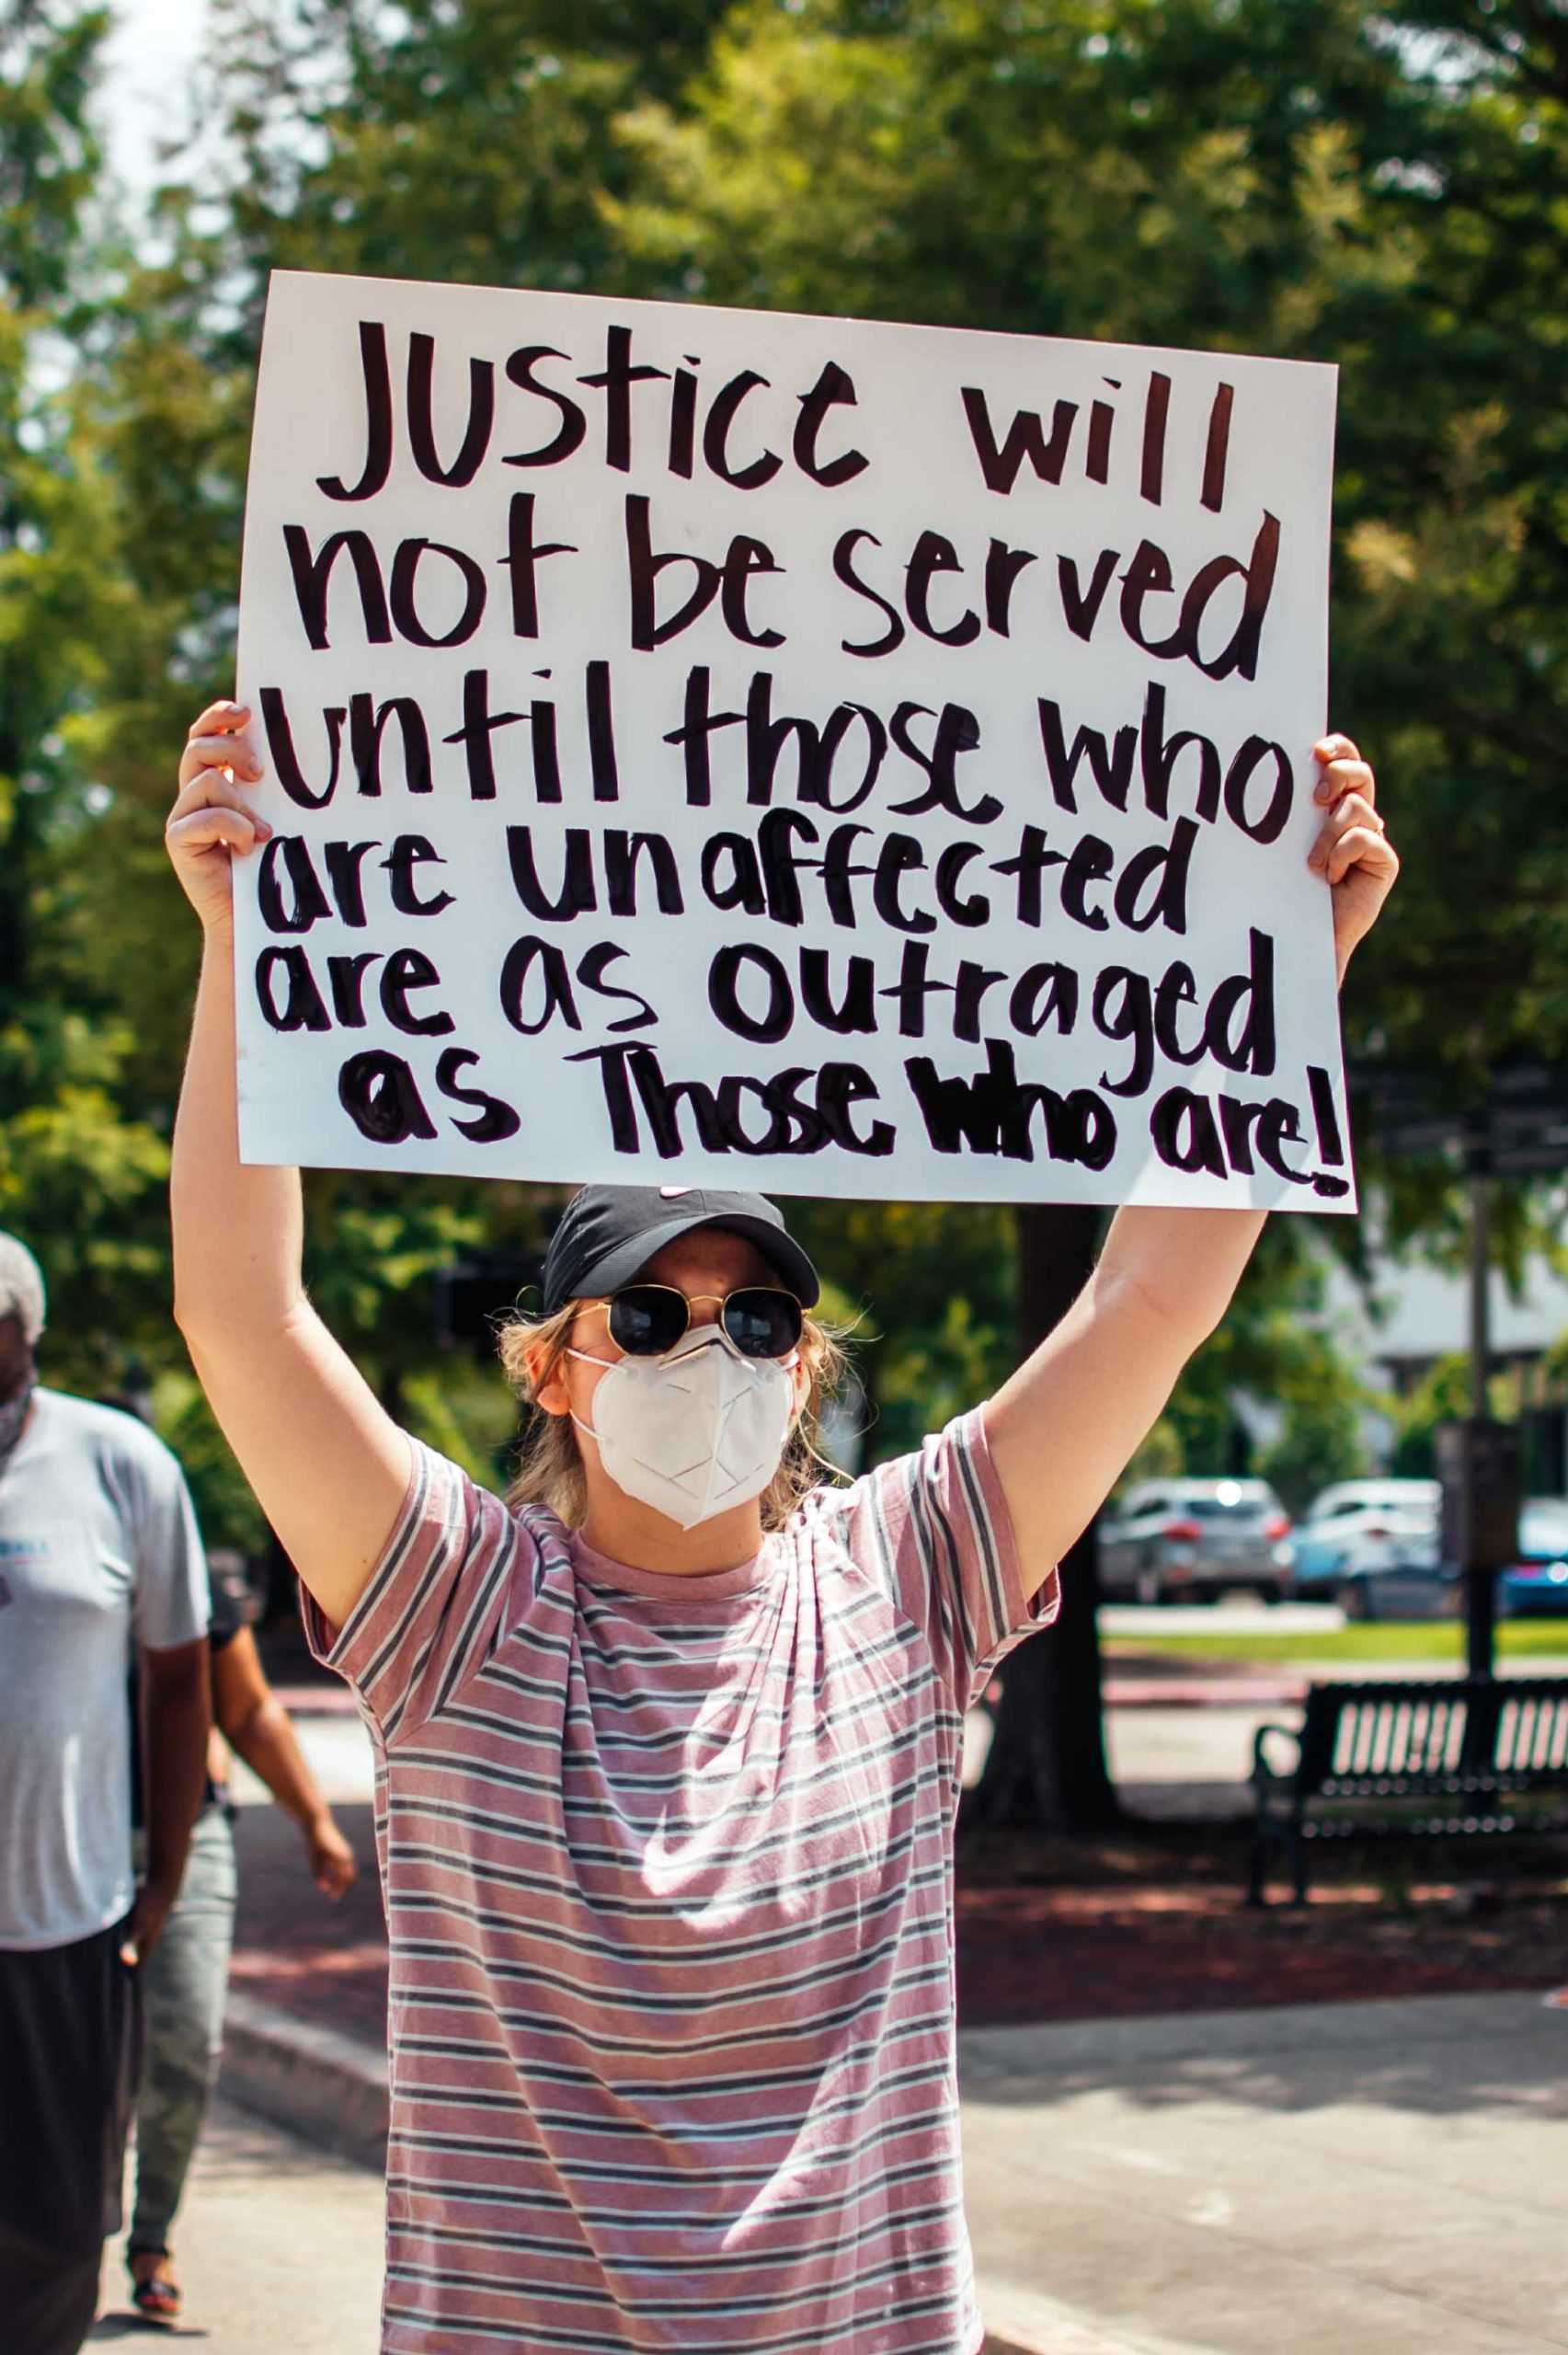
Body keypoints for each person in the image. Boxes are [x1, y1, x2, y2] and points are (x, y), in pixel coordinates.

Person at [165, 698, 1397, 2352]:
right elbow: (245, 1315)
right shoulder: (449, 1605)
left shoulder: (905, 1579)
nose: (708, 1354)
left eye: (753, 1325)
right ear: (550, 1368)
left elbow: (1147, 1299)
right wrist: (240, 940)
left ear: (806, 1363)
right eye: (650, 1321)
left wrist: (1284, 975)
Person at [0, 1235, 211, 2355]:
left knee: (55, 2224)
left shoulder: (117, 1462)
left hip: (62, 1925)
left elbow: (180, 1677)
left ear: (25, 1332)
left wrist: (165, 1870)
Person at [127, 1566, 359, 2326]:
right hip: (54, 1838)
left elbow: (250, 1710)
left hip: (189, 1834)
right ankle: (59, 2228)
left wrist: (314, 1821)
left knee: (187, 2038)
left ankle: (151, 2237)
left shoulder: (173, 1556)